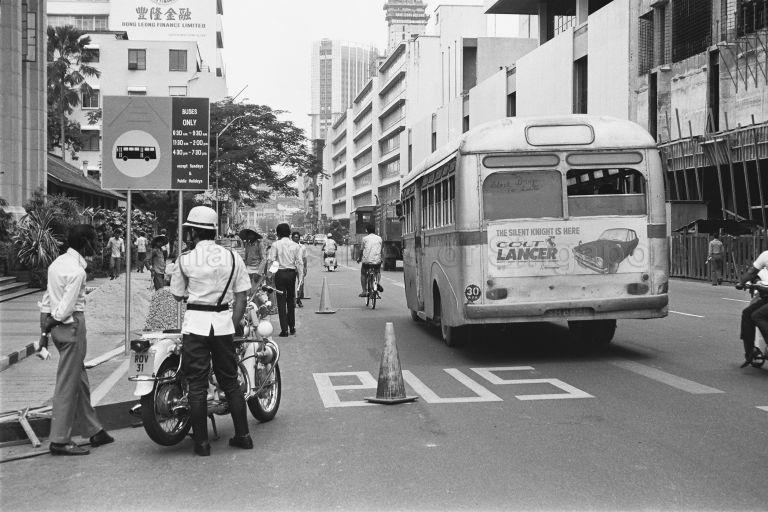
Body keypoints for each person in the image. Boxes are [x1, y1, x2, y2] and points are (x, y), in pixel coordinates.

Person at [170, 206, 252, 456]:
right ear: (214, 231)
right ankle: (243, 436)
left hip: (195, 325)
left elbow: (176, 294)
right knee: (230, 381)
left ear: (193, 232)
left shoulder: (185, 259)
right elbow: (241, 296)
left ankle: (202, 444)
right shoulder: (232, 256)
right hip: (223, 324)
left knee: (196, 384)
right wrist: (233, 323)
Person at [39, 224, 114, 455]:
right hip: (71, 326)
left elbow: (47, 298)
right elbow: (66, 307)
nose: (97, 244)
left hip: (59, 330)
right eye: (94, 240)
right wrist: (54, 319)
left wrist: (45, 328)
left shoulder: (57, 264)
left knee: (78, 378)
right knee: (67, 384)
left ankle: (94, 430)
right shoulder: (77, 271)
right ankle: (59, 440)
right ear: (85, 243)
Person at [266, 223, 304, 336]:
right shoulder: (296, 245)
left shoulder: (276, 244)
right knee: (291, 300)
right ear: (289, 233)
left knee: (281, 302)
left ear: (278, 233)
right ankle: (292, 327)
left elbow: (271, 261)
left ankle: (284, 330)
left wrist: (269, 276)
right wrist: (300, 279)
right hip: (291, 274)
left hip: (280, 274)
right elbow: (299, 262)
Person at [736, 250, 768, 365]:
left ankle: (750, 351)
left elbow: (751, 272)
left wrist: (740, 282)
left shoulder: (765, 255)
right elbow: (753, 274)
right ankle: (750, 351)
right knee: (747, 313)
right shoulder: (765, 256)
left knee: (756, 315)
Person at [357, 224, 384, 297]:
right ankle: (376, 283)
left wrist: (359, 259)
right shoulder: (379, 238)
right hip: (376, 261)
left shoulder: (365, 239)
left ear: (367, 230)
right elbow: (381, 250)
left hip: (367, 261)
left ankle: (364, 291)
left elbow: (361, 250)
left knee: (363, 273)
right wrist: (381, 258)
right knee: (377, 271)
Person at [240, 228, 264, 294]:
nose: (249, 236)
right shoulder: (247, 244)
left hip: (257, 268)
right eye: (248, 235)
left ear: (254, 235)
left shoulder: (259, 244)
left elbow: (263, 259)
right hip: (248, 268)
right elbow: (246, 257)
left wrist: (258, 273)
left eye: (250, 235)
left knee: (255, 291)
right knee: (247, 290)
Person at [291, 231, 308, 307]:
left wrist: (305, 268)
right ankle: (293, 299)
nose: (296, 239)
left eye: (297, 237)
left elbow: (304, 258)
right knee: (291, 284)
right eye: (294, 237)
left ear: (299, 238)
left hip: (300, 267)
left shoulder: (303, 247)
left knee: (300, 283)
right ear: (292, 238)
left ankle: (298, 299)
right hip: (291, 267)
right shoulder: (289, 247)